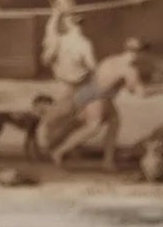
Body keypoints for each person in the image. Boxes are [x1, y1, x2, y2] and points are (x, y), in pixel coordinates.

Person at [50, 37, 148, 167]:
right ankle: (59, 151)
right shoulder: (130, 69)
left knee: (114, 121)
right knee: (93, 127)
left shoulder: (111, 59)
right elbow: (141, 93)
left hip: (87, 93)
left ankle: (107, 160)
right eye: (142, 53)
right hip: (98, 97)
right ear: (139, 53)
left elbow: (99, 77)